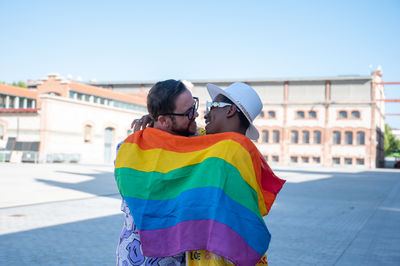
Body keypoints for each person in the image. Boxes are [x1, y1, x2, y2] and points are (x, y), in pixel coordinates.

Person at [116, 81, 285, 265]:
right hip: (146, 256)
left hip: (173, 256)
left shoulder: (214, 145)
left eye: (199, 106)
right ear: (163, 120)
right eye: (190, 111)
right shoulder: (134, 148)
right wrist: (156, 124)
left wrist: (158, 122)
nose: (199, 114)